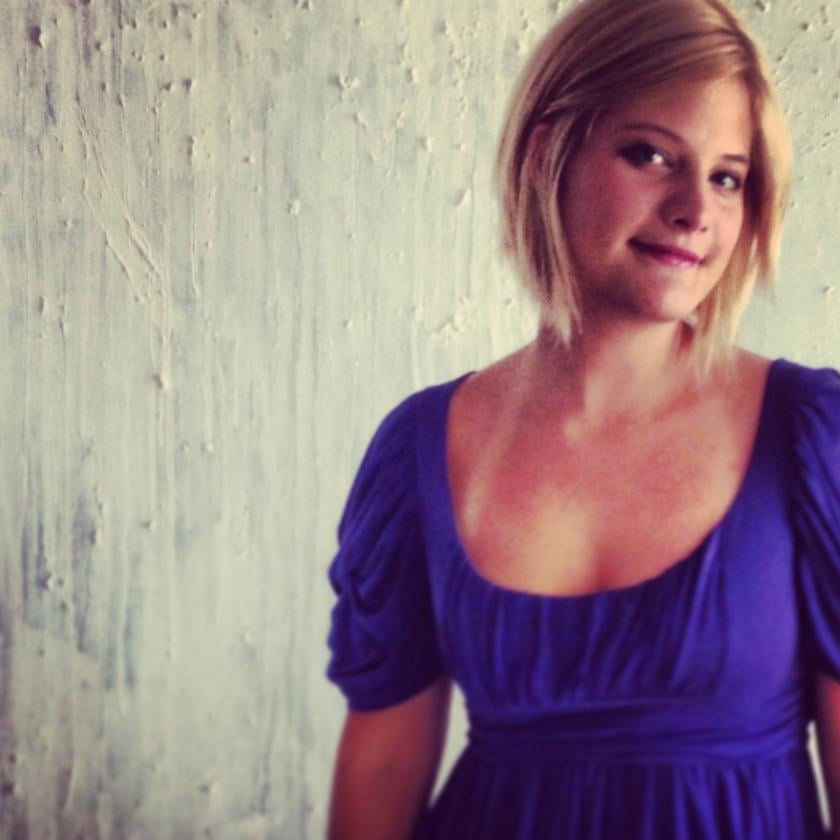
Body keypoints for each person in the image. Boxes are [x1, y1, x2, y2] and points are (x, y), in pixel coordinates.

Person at [325, 0, 840, 836]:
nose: (694, 210)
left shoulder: (812, 439)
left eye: (727, 177)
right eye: (651, 155)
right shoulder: (420, 447)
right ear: (546, 154)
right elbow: (381, 764)